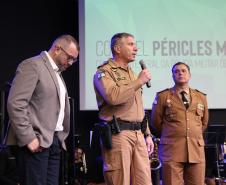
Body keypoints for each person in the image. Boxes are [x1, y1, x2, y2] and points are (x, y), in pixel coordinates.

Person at [7, 34, 79, 185]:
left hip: (54, 141)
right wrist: (29, 138)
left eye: (74, 59)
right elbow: (16, 103)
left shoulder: (57, 73)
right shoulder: (33, 65)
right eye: (70, 58)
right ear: (58, 49)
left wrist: (59, 140)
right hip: (36, 140)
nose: (71, 63)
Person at [93, 32, 154, 185]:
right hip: (118, 134)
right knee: (120, 181)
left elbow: (138, 106)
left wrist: (147, 134)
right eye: (131, 44)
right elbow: (113, 97)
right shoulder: (104, 72)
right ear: (117, 48)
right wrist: (139, 81)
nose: (136, 49)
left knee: (144, 181)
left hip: (138, 134)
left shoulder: (132, 73)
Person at [151, 62, 209, 185]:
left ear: (189, 75)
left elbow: (204, 123)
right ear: (172, 76)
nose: (180, 73)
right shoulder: (163, 96)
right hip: (171, 150)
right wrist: (173, 133)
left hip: (195, 150)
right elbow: (156, 122)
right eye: (176, 71)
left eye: (183, 71)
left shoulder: (201, 97)